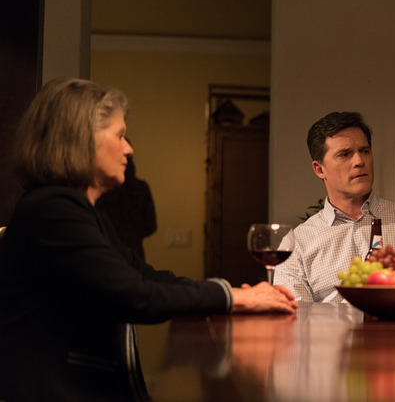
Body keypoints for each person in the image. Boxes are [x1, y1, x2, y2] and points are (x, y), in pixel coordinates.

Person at [0, 78, 297, 402]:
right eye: (120, 135)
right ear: (80, 139)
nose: (129, 148)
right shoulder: (52, 209)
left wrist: (235, 295)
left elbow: (147, 276)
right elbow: (137, 296)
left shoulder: (78, 209)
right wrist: (236, 299)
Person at [274, 112, 395, 302]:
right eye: (344, 154)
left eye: (365, 151)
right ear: (320, 169)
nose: (359, 161)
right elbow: (294, 318)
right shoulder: (297, 243)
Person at [97, 151, 157, 260]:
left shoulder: (104, 188)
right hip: (117, 253)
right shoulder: (102, 188)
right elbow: (150, 225)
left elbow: (151, 224)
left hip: (119, 253)